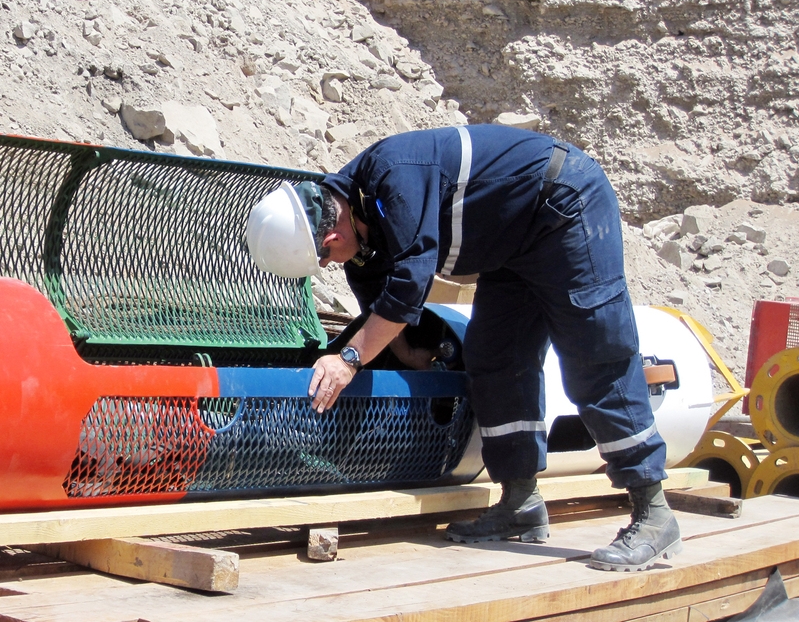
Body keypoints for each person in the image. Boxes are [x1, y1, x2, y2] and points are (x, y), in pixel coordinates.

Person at [245, 124, 680, 572]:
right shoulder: (359, 227)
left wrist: (350, 359)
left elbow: (412, 281)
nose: (331, 265)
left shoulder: (393, 178)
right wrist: (411, 352)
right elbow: (382, 305)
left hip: (564, 207)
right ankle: (520, 502)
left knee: (595, 351)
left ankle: (653, 512)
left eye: (325, 259)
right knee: (494, 359)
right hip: (512, 244)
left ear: (330, 237)